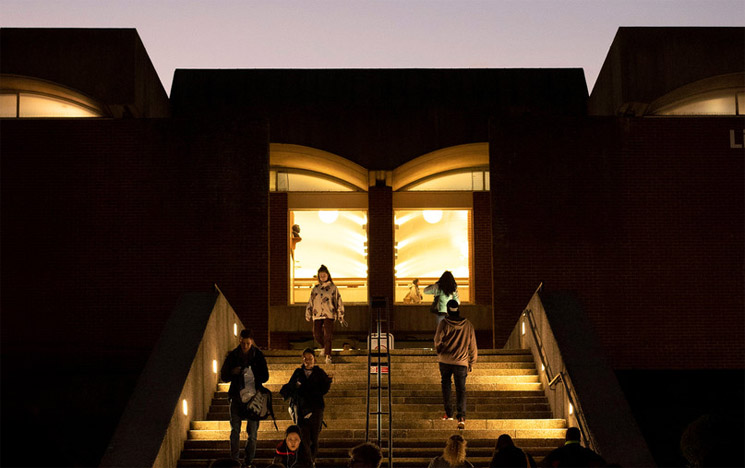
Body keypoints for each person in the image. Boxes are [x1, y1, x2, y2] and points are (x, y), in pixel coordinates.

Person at [219, 328, 269, 468]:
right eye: (243, 343)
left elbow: (265, 376)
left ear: (251, 342)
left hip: (253, 398)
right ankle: (235, 460)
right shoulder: (233, 355)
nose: (245, 346)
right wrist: (233, 372)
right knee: (235, 430)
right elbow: (223, 376)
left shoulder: (257, 355)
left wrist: (253, 372)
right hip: (236, 397)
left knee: (252, 433)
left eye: (247, 343)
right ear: (239, 341)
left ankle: (248, 462)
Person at [280, 348, 332, 461]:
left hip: (316, 409)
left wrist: (328, 381)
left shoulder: (319, 372)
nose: (308, 361)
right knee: (304, 437)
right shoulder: (298, 373)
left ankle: (312, 460)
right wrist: (296, 386)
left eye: (310, 358)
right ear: (303, 359)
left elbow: (324, 389)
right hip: (301, 409)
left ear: (314, 359)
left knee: (314, 437)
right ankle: (308, 461)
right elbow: (289, 387)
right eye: (305, 358)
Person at [435, 299, 477, 429]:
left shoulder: (444, 323)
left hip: (445, 360)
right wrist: (471, 362)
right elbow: (473, 345)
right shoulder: (468, 325)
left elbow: (437, 340)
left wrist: (440, 351)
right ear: (458, 309)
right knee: (461, 389)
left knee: (446, 387)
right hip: (461, 362)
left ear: (447, 310)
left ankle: (449, 413)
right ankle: (461, 417)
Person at [305, 264, 346, 363]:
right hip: (317, 314)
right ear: (318, 276)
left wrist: (341, 315)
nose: (322, 277)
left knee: (328, 335)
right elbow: (311, 301)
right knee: (317, 334)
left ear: (328, 275)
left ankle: (328, 355)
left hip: (329, 314)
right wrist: (308, 312)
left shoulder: (333, 288)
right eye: (321, 275)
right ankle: (323, 347)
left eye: (324, 275)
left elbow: (338, 301)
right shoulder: (316, 288)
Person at [540, 427, 606, 467]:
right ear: (579, 438)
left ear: (566, 438)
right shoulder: (587, 453)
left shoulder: (557, 453)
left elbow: (543, 464)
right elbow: (602, 463)